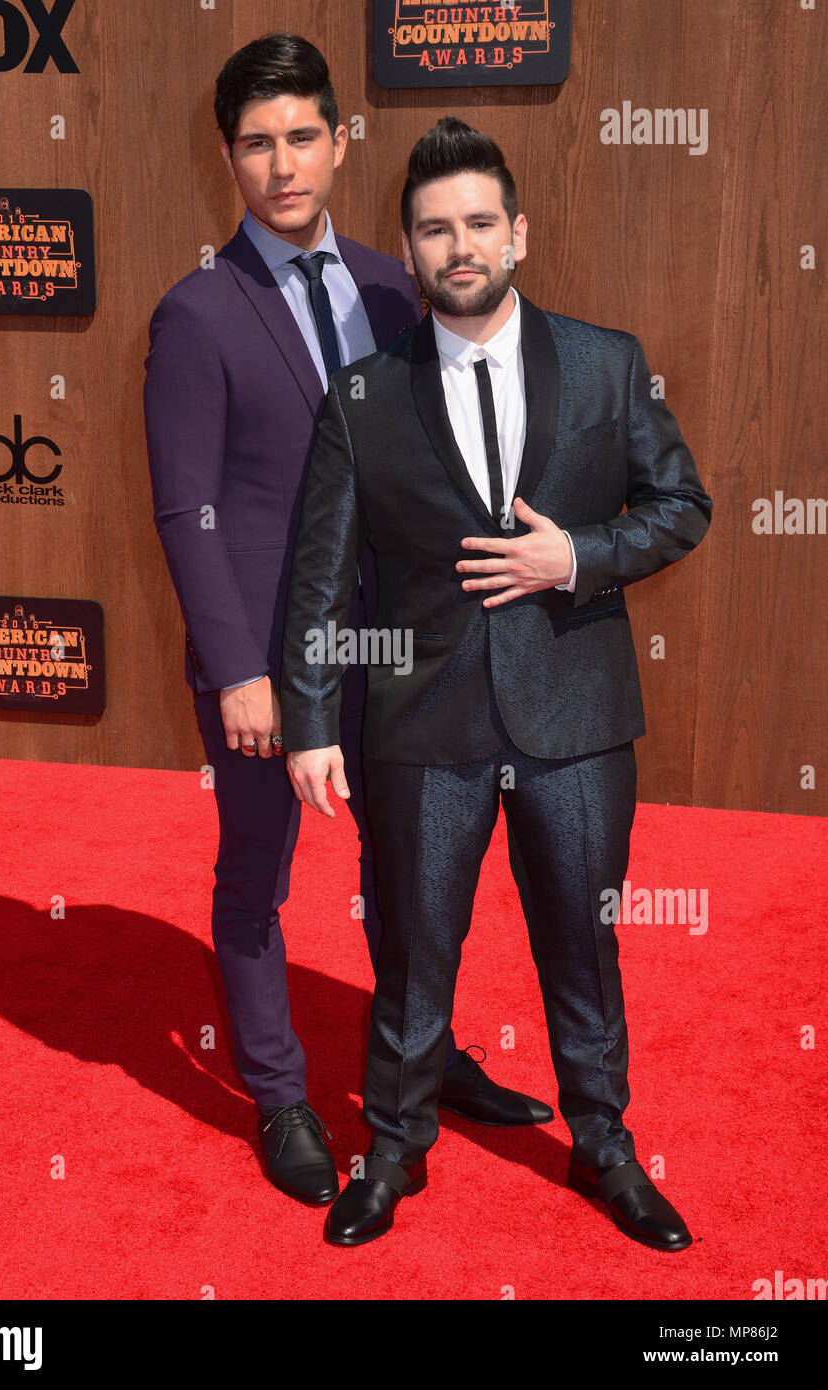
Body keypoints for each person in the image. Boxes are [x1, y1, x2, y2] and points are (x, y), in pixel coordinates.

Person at [282, 117, 712, 1248]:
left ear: (517, 231)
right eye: (433, 229)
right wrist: (311, 721)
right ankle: (393, 1148)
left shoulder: (607, 362)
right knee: (415, 954)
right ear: (410, 248)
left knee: (582, 939)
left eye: (478, 222)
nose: (457, 245)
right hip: (422, 725)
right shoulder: (364, 398)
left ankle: (604, 1145)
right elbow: (319, 575)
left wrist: (573, 556)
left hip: (574, 715)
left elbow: (681, 508)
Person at [143, 42, 551, 1208]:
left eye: (302, 136)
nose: (283, 164)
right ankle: (278, 1093)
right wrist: (240, 671)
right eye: (258, 143)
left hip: (399, 651)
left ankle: (423, 1057)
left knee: (409, 867)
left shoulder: (389, 285)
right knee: (256, 876)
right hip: (271, 663)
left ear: (338, 140)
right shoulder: (196, 314)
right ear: (228, 156)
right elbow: (188, 510)